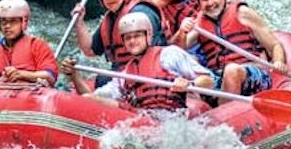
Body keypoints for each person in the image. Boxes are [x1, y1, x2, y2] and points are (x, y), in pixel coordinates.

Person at [61, 12, 215, 111]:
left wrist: (189, 85)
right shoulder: (126, 75)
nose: (132, 41)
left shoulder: (169, 54)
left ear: (148, 36)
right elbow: (89, 98)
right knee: (90, 99)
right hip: (141, 119)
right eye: (128, 38)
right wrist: (74, 75)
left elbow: (208, 80)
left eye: (137, 36)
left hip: (171, 120)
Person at [184, 0, 288, 105]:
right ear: (199, 3)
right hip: (219, 76)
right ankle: (210, 113)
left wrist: (279, 61)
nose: (210, 3)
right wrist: (182, 31)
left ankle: (224, 114)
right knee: (197, 83)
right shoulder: (198, 24)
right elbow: (177, 49)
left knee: (231, 70)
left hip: (251, 73)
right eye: (205, 0)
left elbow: (274, 45)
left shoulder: (243, 13)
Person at [71, 0, 171, 87]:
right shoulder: (110, 19)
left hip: (151, 70)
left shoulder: (141, 12)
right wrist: (79, 22)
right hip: (123, 72)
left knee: (103, 81)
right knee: (100, 81)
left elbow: (151, 51)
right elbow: (90, 51)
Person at [0, 0, 58, 87]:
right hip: (0, 96)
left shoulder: (37, 45)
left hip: (31, 93)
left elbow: (50, 76)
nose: (7, 26)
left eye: (13, 21)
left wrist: (22, 74)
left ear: (24, 22)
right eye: (3, 22)